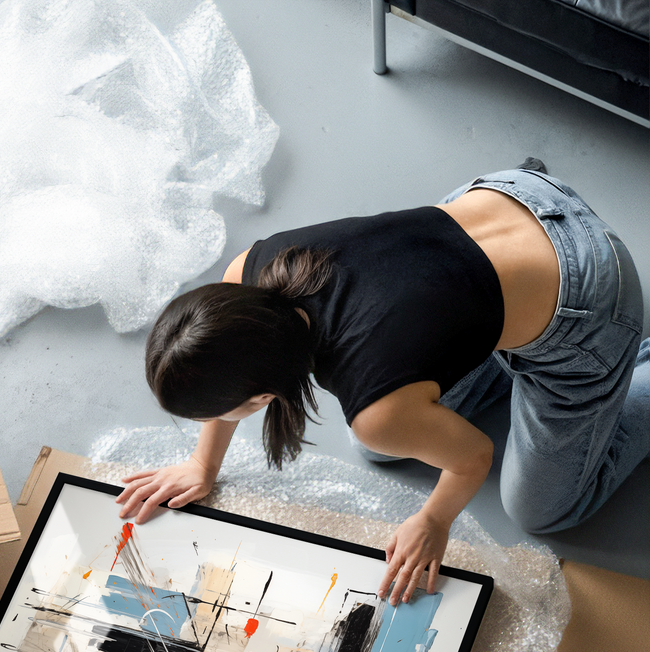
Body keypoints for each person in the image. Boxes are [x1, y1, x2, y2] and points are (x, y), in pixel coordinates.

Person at [116, 163, 648, 605]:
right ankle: (509, 344)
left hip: (588, 289)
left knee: (541, 510)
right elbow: (230, 358)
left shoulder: (379, 413)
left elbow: (473, 457)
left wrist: (433, 520)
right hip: (507, 198)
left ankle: (626, 360)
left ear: (260, 399)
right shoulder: (247, 274)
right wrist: (202, 464)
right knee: (380, 446)